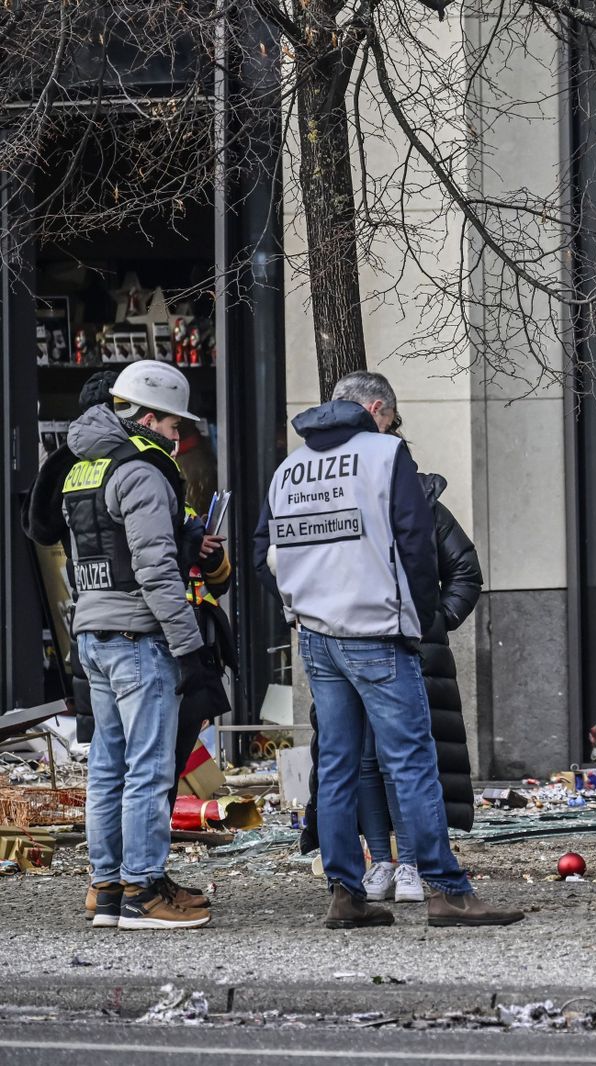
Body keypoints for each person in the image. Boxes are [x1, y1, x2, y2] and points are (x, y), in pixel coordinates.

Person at [254, 371, 519, 929]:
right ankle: (447, 891)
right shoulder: (384, 454)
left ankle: (345, 893)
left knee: (338, 764)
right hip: (376, 632)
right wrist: (421, 621)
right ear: (378, 409)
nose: (394, 426)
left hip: (318, 639)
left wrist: (299, 608)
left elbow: (268, 552)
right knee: (412, 763)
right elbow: (415, 541)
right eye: (392, 418)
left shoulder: (289, 469)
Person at [54, 360, 217, 929]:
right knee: (148, 769)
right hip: (139, 637)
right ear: (148, 417)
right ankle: (143, 892)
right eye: (174, 426)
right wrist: (188, 646)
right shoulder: (142, 470)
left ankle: (105, 889)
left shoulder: (82, 469)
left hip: (93, 633)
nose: (179, 438)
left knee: (107, 767)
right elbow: (155, 569)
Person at [355, 466, 483, 903]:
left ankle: (409, 862)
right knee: (367, 759)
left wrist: (432, 622)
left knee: (402, 760)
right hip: (355, 643)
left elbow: (465, 571)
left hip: (412, 650)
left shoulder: (426, 505)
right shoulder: (347, 497)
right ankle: (381, 861)